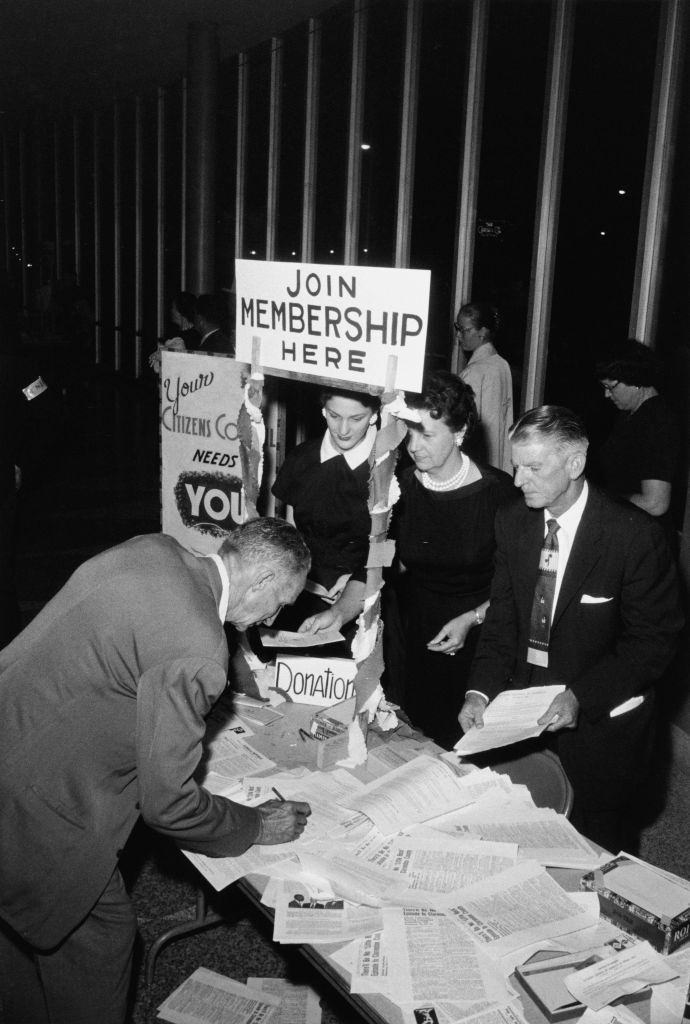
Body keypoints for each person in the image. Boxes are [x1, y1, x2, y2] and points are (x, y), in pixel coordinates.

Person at [0, 517, 312, 1024]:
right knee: (102, 940)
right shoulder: (198, 646)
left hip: (14, 739)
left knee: (15, 929)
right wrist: (256, 824)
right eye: (279, 602)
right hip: (38, 811)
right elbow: (168, 805)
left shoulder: (154, 550)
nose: (272, 618)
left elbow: (127, 654)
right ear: (260, 582)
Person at [459, 406, 683, 852]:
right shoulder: (513, 520)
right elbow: (504, 618)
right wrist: (479, 692)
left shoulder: (634, 535)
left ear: (575, 464)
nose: (519, 480)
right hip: (522, 719)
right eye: (516, 465)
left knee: (594, 852)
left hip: (603, 723)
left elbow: (653, 643)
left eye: (534, 467)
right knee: (519, 843)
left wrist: (581, 695)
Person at [390, 371, 514, 749]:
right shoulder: (400, 485)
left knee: (462, 745)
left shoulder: (499, 494)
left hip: (480, 632)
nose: (414, 446)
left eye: (427, 435)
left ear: (459, 433)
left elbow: (520, 587)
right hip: (416, 628)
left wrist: (472, 619)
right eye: (409, 433)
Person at [269, 387, 380, 642]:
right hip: (302, 592)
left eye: (356, 419)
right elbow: (287, 534)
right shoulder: (302, 459)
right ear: (323, 410)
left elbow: (392, 552)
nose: (343, 430)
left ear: (374, 415)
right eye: (334, 415)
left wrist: (357, 583)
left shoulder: (390, 471)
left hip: (367, 597)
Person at [594, 338, 679, 546]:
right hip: (629, 531)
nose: (606, 394)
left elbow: (656, 503)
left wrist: (604, 499)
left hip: (646, 541)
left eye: (611, 387)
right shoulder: (629, 413)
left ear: (636, 381)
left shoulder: (657, 421)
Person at [456, 301, 514, 473]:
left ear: (482, 332)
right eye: (457, 328)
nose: (459, 335)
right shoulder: (502, 365)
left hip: (477, 465)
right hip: (498, 464)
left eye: (464, 330)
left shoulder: (474, 372)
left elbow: (463, 429)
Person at [148, 290, 200, 373]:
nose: (171, 311)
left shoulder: (195, 338)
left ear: (181, 311)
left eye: (173, 308)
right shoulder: (173, 333)